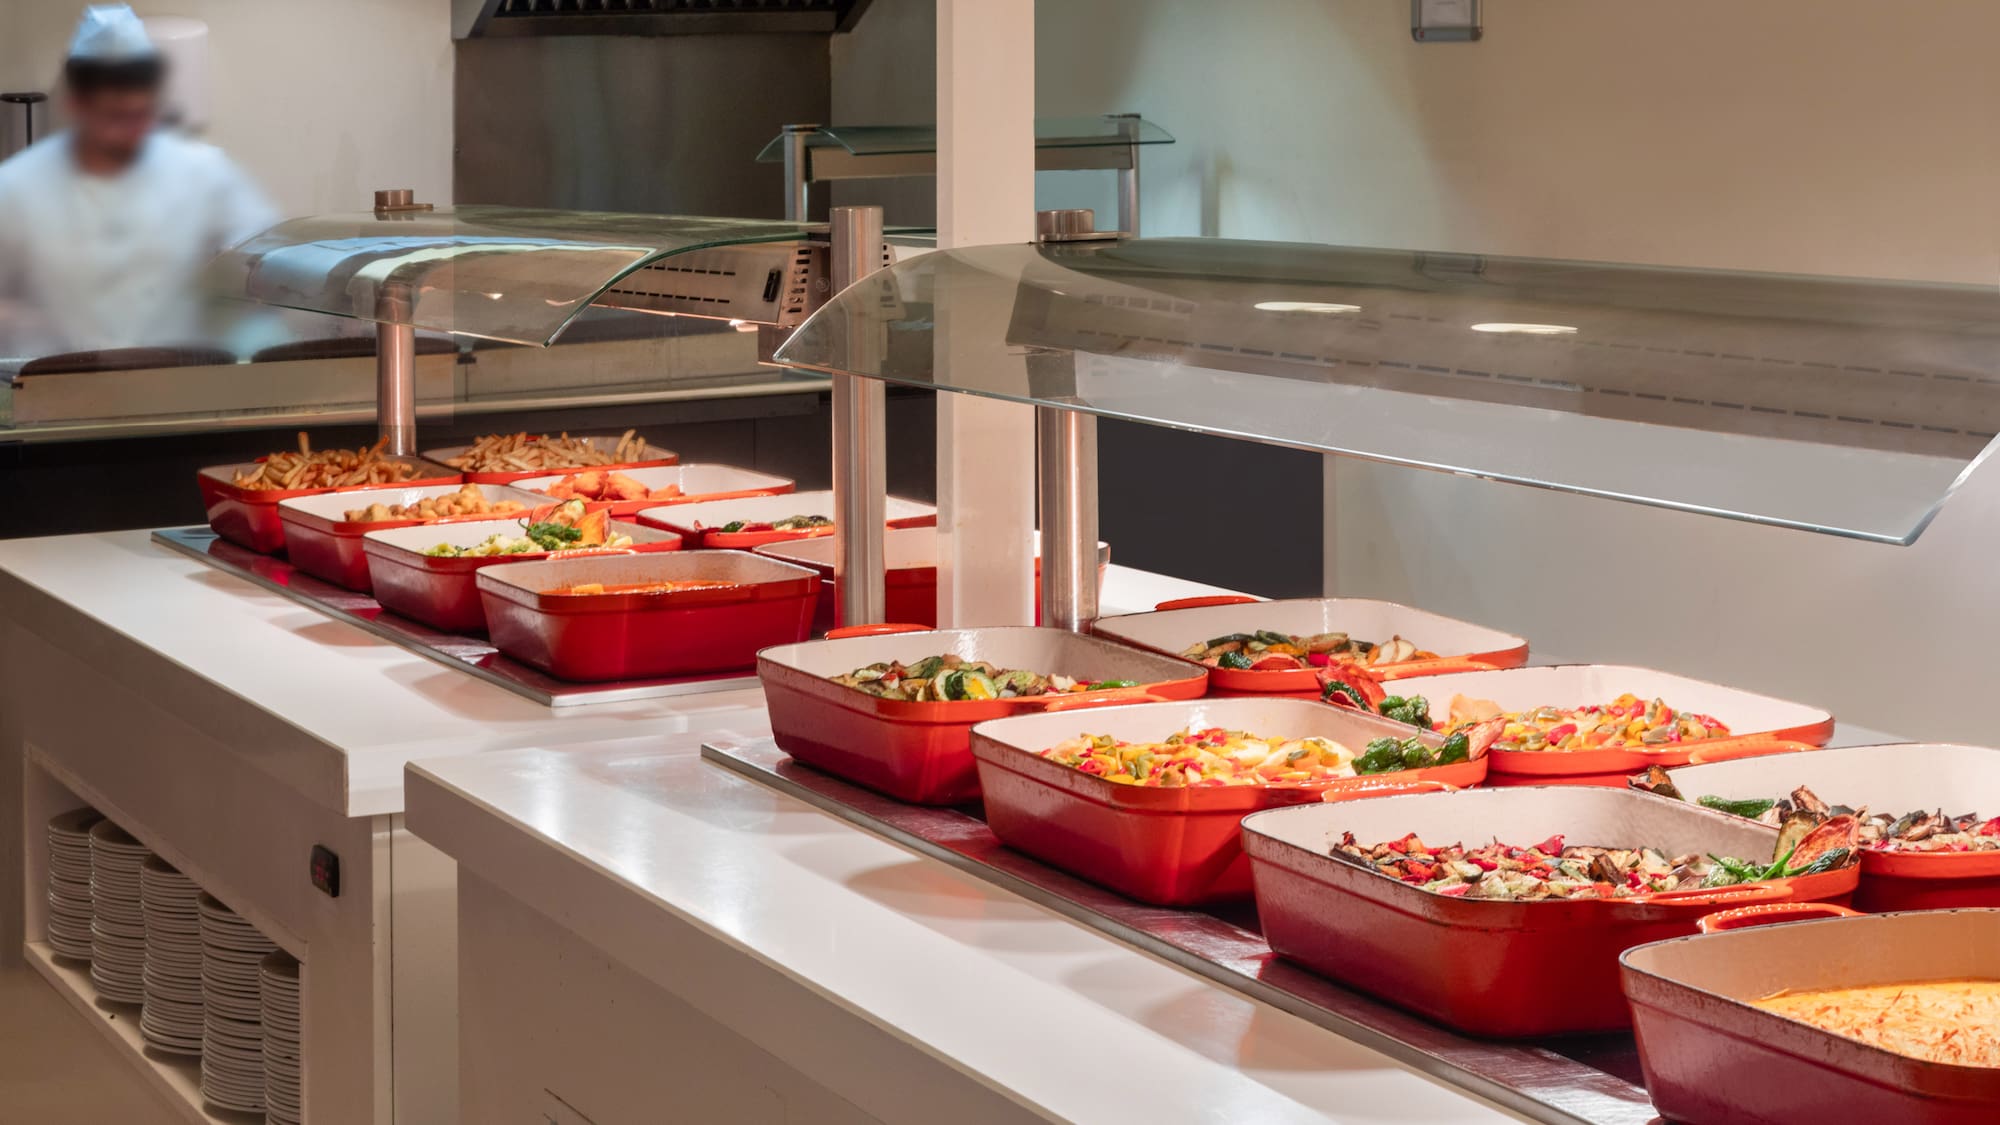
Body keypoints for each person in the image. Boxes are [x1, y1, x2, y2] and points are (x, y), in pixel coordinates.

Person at [0, 5, 276, 360]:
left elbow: (265, 261)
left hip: (175, 377)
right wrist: (32, 321)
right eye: (115, 117)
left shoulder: (205, 173)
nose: (130, 132)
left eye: (141, 115)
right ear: (77, 106)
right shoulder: (19, 187)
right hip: (54, 380)